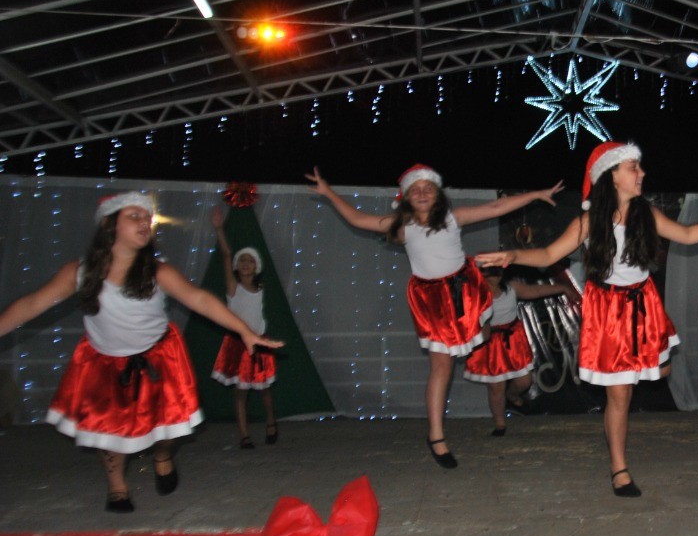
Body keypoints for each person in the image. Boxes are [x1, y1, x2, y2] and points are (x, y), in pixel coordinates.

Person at [476, 141, 698, 496]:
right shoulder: (588, 222)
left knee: (661, 372)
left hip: (644, 307)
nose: (641, 173)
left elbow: (688, 235)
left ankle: (641, 386)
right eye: (633, 167)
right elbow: (549, 253)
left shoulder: (647, 215)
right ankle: (619, 468)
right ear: (611, 176)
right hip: (608, 313)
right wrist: (513, 255)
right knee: (620, 396)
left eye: (639, 167)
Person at [0, 192, 282, 513]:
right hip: (105, 364)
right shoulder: (78, 273)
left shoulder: (159, 272)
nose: (144, 222)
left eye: (146, 217)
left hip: (158, 359)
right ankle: (117, 486)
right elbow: (30, 305)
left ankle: (163, 456)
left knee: (165, 431)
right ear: (110, 225)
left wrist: (243, 330)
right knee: (110, 433)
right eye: (133, 216)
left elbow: (200, 300)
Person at [306, 164, 563, 468]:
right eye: (416, 189)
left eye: (429, 187)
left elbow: (497, 206)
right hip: (433, 300)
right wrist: (328, 192)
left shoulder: (452, 218)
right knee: (441, 367)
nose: (423, 192)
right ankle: (436, 435)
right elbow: (357, 219)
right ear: (406, 197)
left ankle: (491, 358)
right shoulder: (402, 227)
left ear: (438, 194)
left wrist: (536, 194)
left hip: (464, 289)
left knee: (483, 333)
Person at [463, 266, 571, 437]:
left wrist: (563, 287)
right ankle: (500, 424)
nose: (496, 275)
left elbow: (536, 290)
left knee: (524, 381)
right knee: (495, 386)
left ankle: (511, 396)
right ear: (481, 274)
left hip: (512, 338)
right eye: (490, 272)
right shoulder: (476, 294)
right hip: (489, 343)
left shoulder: (511, 287)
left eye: (498, 271)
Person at [210, 208, 278, 449]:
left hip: (258, 342)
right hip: (238, 346)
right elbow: (226, 255)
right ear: (238, 267)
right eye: (242, 261)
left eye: (250, 261)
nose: (245, 264)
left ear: (256, 266)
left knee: (264, 390)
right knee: (241, 392)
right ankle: (244, 435)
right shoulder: (233, 286)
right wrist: (219, 229)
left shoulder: (260, 289)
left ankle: (271, 421)